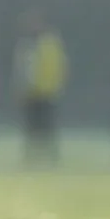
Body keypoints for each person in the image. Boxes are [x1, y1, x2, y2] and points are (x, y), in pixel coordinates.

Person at [12, 10, 68, 163]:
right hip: (31, 93)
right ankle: (31, 157)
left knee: (48, 127)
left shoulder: (50, 43)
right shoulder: (26, 44)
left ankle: (49, 157)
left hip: (47, 92)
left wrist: (57, 85)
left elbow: (59, 66)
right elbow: (21, 69)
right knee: (31, 128)